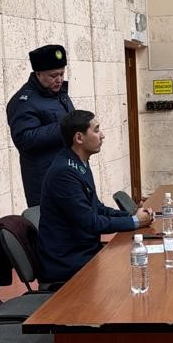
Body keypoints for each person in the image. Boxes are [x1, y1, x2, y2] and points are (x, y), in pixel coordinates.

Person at [38, 109, 154, 286]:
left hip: (84, 252)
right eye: (96, 130)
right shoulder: (65, 173)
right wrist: (135, 221)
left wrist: (134, 215)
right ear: (79, 138)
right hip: (68, 262)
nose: (102, 135)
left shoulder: (78, 163)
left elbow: (97, 207)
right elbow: (90, 222)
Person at [6, 44, 75, 207]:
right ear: (38, 73)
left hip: (68, 172)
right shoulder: (24, 101)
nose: (59, 79)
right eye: (53, 75)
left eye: (62, 73)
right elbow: (24, 139)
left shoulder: (59, 94)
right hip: (45, 180)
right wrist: (65, 127)